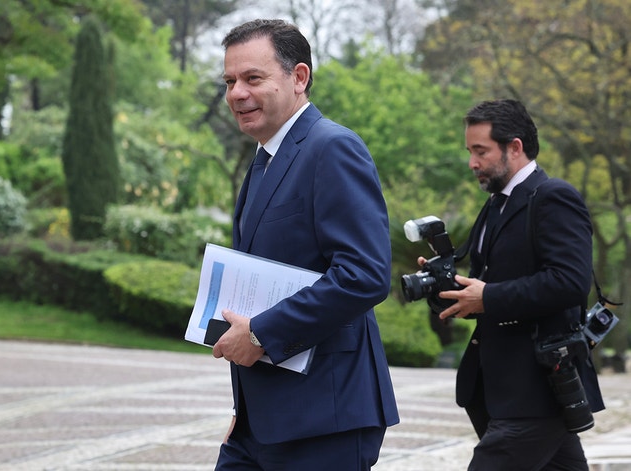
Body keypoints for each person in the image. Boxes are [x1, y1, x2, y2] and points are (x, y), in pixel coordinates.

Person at [211, 19, 399, 470]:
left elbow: (364, 276)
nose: (237, 93)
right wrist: (245, 409)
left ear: (298, 77)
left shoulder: (333, 147)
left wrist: (260, 334)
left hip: (323, 420)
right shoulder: (264, 158)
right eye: (230, 81)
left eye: (253, 78)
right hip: (262, 421)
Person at [430, 99, 605, 469]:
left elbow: (570, 282)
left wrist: (488, 297)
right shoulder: (496, 204)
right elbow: (487, 285)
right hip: (501, 389)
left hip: (537, 389)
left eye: (481, 151)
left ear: (514, 147)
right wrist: (447, 287)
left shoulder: (554, 197)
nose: (472, 162)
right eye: (469, 151)